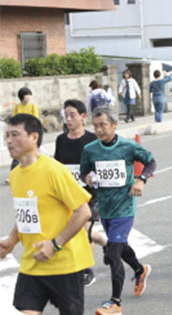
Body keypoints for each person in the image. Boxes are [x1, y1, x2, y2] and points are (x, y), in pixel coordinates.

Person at [0, 114, 93, 314]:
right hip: (32, 263)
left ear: (34, 137)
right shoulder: (15, 175)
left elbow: (83, 211)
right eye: (6, 135)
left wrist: (55, 244)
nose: (8, 141)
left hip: (65, 265)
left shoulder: (54, 171)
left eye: (15, 134)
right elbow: (29, 214)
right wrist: (12, 240)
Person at [80, 106, 156, 315]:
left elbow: (151, 161)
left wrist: (141, 180)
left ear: (115, 124)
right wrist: (87, 178)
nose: (99, 130)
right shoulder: (90, 150)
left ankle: (115, 303)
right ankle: (140, 270)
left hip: (125, 207)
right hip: (105, 207)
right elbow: (83, 172)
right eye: (95, 126)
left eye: (103, 125)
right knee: (120, 247)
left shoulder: (128, 146)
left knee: (113, 252)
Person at [54, 99, 106, 287]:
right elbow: (58, 167)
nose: (68, 119)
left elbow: (101, 164)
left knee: (84, 231)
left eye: (72, 115)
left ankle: (87, 270)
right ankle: (105, 242)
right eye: (65, 115)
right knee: (80, 230)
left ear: (83, 117)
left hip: (90, 194)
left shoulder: (92, 139)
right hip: (68, 195)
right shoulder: (61, 140)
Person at [8, 87, 40, 178]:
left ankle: (36, 171)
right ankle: (13, 175)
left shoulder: (33, 106)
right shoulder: (17, 107)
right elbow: (14, 121)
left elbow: (36, 119)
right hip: (19, 134)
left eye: (29, 94)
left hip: (30, 133)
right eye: (27, 94)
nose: (29, 96)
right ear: (22, 96)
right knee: (18, 153)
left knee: (33, 152)